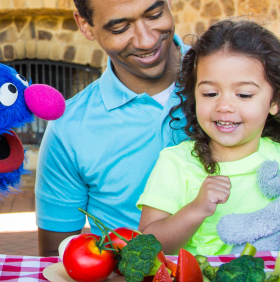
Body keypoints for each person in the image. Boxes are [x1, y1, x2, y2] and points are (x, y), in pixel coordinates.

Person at [35, 0, 190, 256]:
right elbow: (55, 258)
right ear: (86, 26)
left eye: (154, 14)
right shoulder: (69, 130)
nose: (146, 41)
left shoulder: (246, 84)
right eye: (119, 28)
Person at [137, 19, 280, 256]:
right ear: (194, 95)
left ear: (274, 102)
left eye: (244, 95)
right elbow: (148, 246)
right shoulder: (176, 163)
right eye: (210, 93)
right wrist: (196, 209)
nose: (224, 106)